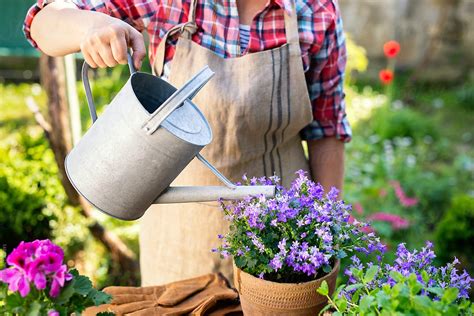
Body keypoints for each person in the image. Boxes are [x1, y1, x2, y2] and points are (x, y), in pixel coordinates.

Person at [25, 0, 351, 286]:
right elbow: (41, 22)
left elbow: (328, 131)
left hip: (280, 238)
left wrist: (325, 235)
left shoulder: (316, 10)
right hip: (180, 231)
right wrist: (92, 25)